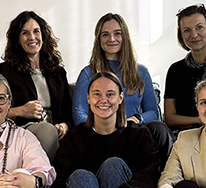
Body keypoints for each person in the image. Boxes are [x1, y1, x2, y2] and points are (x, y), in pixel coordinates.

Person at [73, 12, 174, 156]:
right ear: (98, 39)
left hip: (134, 132)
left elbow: (153, 111)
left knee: (160, 129)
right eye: (105, 34)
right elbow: (78, 115)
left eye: (117, 33)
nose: (112, 39)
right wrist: (107, 125)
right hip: (102, 135)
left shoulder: (141, 72)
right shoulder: (88, 73)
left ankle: (170, 170)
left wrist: (136, 119)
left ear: (125, 37)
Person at [0, 10, 73, 161]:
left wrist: (64, 126)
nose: (32, 37)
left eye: (36, 31)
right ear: (17, 39)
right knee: (47, 131)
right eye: (25, 33)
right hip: (22, 133)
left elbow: (69, 113)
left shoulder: (58, 72)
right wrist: (20, 111)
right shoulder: (5, 71)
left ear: (43, 35)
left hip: (56, 134)